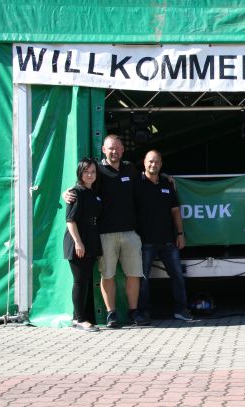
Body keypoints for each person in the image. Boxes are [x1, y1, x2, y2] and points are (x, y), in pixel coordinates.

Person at [64, 135, 148, 328]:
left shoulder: (130, 168)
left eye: (117, 148)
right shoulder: (98, 170)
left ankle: (133, 312)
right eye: (110, 148)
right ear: (103, 149)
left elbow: (145, 181)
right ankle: (111, 314)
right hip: (105, 234)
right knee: (107, 275)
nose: (114, 151)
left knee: (134, 274)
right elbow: (82, 185)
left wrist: (166, 178)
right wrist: (66, 192)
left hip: (130, 232)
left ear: (123, 150)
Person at [135, 150, 192, 322]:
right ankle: (144, 312)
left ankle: (181, 310)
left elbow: (175, 211)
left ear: (161, 164)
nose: (154, 164)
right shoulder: (136, 183)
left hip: (168, 241)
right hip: (145, 241)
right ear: (144, 162)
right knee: (143, 279)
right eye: (151, 161)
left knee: (178, 276)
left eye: (157, 162)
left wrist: (180, 233)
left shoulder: (167, 183)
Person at [63, 158, 102, 332]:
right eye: (86, 171)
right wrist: (78, 242)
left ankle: (77, 317)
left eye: (93, 172)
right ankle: (80, 320)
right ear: (80, 172)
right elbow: (70, 220)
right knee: (80, 281)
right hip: (78, 240)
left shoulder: (92, 192)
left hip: (91, 238)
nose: (90, 175)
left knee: (85, 280)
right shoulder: (75, 192)